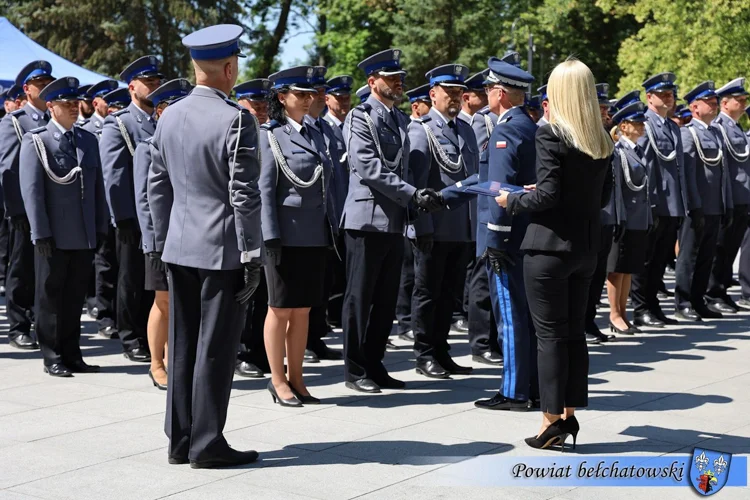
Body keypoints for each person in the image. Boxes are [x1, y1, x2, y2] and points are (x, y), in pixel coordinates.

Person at [149, 24, 262, 468]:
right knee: (214, 349)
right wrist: (252, 253)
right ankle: (207, 443)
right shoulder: (236, 118)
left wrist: (162, 240)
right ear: (230, 67)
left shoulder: (169, 116)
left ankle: (180, 440)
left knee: (183, 347)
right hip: (221, 250)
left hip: (179, 248)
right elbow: (243, 194)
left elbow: (156, 185)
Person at [495, 58, 614, 450]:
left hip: (548, 249)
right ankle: (570, 416)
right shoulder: (601, 138)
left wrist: (511, 199)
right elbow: (602, 196)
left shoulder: (551, 134)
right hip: (585, 249)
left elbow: (547, 196)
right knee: (573, 334)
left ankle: (549, 423)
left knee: (549, 337)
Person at [341, 49, 442, 393]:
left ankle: (374, 362)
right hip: (365, 221)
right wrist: (413, 195)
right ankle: (355, 370)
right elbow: (369, 168)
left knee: (385, 300)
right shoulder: (359, 117)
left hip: (394, 221)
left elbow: (406, 169)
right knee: (359, 297)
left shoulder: (400, 121)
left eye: (400, 78)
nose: (398, 83)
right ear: (372, 82)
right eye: (391, 78)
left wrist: (415, 212)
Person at [19, 76, 110, 376]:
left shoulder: (88, 140)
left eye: (76, 103)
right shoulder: (38, 141)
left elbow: (97, 189)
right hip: (54, 236)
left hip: (83, 235)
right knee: (50, 297)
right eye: (67, 104)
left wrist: (99, 227)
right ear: (51, 106)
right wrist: (40, 231)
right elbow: (33, 192)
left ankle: (72, 354)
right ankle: (52, 355)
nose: (74, 108)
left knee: (74, 299)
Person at [258, 66, 333, 406]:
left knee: (302, 310)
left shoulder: (316, 133)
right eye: (299, 94)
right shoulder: (269, 135)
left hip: (313, 233)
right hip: (284, 236)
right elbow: (264, 189)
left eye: (310, 94)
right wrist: (270, 236)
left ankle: (298, 378)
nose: (307, 99)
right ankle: (277, 379)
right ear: (281, 98)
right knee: (280, 309)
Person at [473, 58, 538, 411]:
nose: (485, 96)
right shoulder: (527, 125)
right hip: (525, 236)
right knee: (524, 314)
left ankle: (514, 391)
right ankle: (533, 385)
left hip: (507, 239)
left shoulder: (506, 129)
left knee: (510, 317)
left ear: (499, 93)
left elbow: (499, 189)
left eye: (487, 90)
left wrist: (495, 240)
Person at [407, 63, 477, 379]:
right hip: (433, 226)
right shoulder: (421, 129)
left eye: (458, 92)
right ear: (432, 94)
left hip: (459, 227)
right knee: (428, 293)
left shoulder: (465, 129)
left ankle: (441, 349)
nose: (454, 97)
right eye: (448, 92)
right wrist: (421, 227)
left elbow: (472, 179)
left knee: (449, 293)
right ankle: (424, 353)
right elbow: (418, 183)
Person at [100, 56, 163, 362]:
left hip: (159, 215)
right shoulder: (120, 122)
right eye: (148, 82)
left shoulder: (162, 119)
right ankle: (131, 336)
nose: (154, 87)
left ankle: (153, 335)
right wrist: (122, 217)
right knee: (131, 278)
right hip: (132, 217)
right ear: (131, 87)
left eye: (156, 82)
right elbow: (113, 175)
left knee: (155, 281)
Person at [134, 78, 193, 390]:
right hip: (160, 239)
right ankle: (156, 363)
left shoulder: (186, 145)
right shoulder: (148, 147)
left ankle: (174, 360)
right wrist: (153, 242)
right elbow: (144, 200)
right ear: (159, 112)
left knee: (180, 301)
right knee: (164, 301)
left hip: (187, 236)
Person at [631, 72, 697, 328]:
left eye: (671, 94)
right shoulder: (644, 125)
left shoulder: (671, 126)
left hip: (672, 204)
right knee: (645, 259)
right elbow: (643, 167)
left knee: (659, 258)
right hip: (654, 202)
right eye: (663, 94)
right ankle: (640, 308)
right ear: (650, 98)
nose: (669, 98)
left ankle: (652, 304)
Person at [0, 60, 55, 351]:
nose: (46, 89)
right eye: (40, 85)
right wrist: (17, 210)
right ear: (27, 89)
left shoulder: (54, 121)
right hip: (25, 210)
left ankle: (42, 322)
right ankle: (19, 325)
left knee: (47, 272)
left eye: (49, 84)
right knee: (21, 269)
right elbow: (8, 169)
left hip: (54, 210)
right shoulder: (14, 122)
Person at [675, 81, 732, 321]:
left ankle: (699, 300)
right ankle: (684, 301)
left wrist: (726, 203)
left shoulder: (716, 133)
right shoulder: (688, 133)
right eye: (710, 103)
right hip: (697, 207)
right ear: (695, 107)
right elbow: (688, 175)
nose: (715, 106)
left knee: (707, 256)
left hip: (714, 206)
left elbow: (723, 174)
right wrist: (693, 205)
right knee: (689, 255)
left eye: (715, 102)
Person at [305, 66, 346, 364]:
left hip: (329, 217)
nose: (321, 98)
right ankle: (301, 341)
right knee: (302, 289)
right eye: (317, 93)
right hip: (304, 221)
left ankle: (315, 337)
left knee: (322, 282)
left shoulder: (328, 129)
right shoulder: (296, 129)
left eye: (322, 92)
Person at [232, 77, 272, 378]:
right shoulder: (236, 132)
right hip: (241, 226)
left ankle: (258, 350)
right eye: (254, 104)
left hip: (265, 225)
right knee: (245, 293)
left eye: (263, 105)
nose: (260, 110)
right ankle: (243, 352)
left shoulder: (270, 134)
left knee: (264, 294)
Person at [606, 96, 651, 335]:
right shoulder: (618, 151)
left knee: (628, 268)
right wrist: (619, 217)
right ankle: (614, 314)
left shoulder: (637, 150)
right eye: (636, 122)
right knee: (616, 268)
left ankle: (622, 312)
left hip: (637, 217)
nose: (642, 126)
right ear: (623, 126)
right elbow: (616, 188)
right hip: (624, 217)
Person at [80, 79, 120, 339]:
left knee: (119, 265)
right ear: (96, 103)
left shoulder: (118, 125)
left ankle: (116, 311)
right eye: (108, 100)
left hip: (118, 205)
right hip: (100, 205)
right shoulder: (87, 129)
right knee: (103, 263)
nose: (113, 105)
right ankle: (102, 311)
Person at [706, 78, 750, 313]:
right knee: (720, 249)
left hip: (743, 197)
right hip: (729, 197)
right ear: (724, 103)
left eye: (744, 100)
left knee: (731, 247)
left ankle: (721, 290)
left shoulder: (736, 127)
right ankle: (713, 292)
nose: (744, 104)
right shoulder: (719, 127)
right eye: (739, 100)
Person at [394, 82, 433, 345]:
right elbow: (415, 176)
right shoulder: (416, 130)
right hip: (410, 210)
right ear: (416, 106)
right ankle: (404, 319)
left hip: (414, 210)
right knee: (409, 273)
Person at [583, 81, 616, 344]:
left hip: (604, 216)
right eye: (600, 109)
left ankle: (589, 320)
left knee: (596, 276)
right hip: (585, 218)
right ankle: (581, 322)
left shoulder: (604, 138)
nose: (606, 114)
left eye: (606, 109)